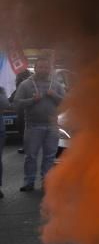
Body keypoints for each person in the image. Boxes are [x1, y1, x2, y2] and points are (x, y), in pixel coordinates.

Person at [13, 55, 65, 192]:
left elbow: (66, 102)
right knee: (31, 155)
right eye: (40, 67)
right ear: (35, 68)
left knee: (49, 156)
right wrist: (32, 100)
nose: (43, 69)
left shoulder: (56, 84)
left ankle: (46, 182)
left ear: (50, 69)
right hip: (33, 126)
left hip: (52, 126)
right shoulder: (26, 84)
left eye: (46, 67)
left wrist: (54, 95)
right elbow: (16, 103)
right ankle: (29, 182)